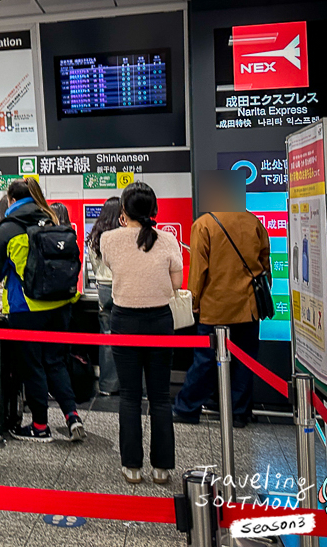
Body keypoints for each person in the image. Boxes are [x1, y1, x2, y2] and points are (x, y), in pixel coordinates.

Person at [0, 178, 86, 443]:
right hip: (61, 304)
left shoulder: (9, 228)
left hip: (27, 307)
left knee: (33, 366)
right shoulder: (53, 219)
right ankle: (72, 415)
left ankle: (40, 426)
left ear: (11, 200)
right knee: (55, 362)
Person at [100, 182, 183, 484]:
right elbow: (176, 283)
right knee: (160, 398)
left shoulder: (109, 239)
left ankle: (132, 467)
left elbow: (113, 267)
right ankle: (162, 468)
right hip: (159, 320)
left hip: (124, 320)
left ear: (124, 211)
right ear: (154, 210)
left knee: (130, 398)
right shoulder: (169, 240)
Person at [174, 206, 270, 428]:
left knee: (205, 361)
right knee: (245, 361)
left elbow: (198, 270)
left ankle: (187, 408)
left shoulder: (204, 224)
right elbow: (265, 263)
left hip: (215, 306)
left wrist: (194, 301)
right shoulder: (253, 221)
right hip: (248, 306)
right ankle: (239, 412)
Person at [85, 197, 122, 396]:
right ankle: (135, 386)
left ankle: (107, 385)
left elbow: (94, 266)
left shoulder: (95, 237)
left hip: (103, 289)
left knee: (107, 337)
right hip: (122, 287)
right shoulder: (123, 238)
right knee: (131, 337)